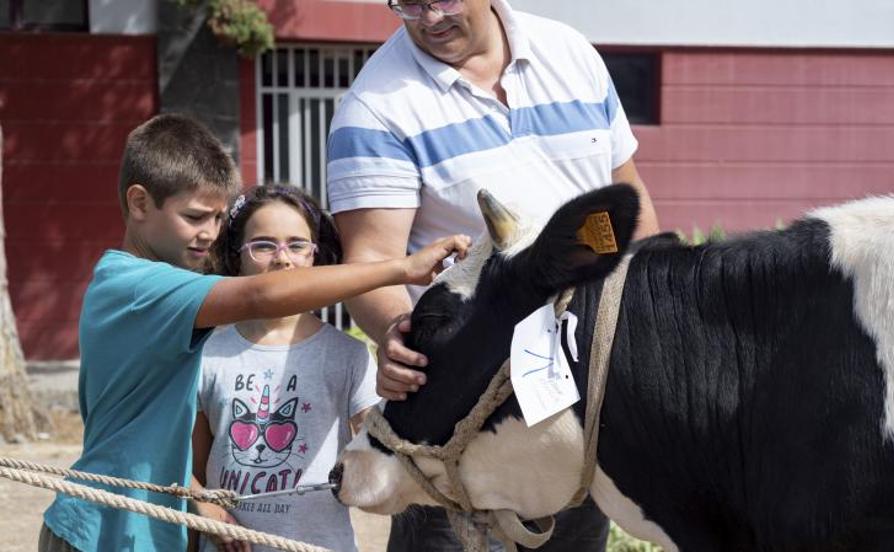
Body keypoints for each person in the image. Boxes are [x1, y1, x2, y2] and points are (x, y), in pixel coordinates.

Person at [39, 114, 469, 552]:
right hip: (104, 532)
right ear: (139, 203)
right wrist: (400, 268)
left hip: (151, 529)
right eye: (194, 217)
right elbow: (261, 295)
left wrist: (199, 499)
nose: (208, 234)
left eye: (217, 219)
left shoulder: (173, 294)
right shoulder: (134, 286)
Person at [326, 0, 659, 550]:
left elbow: (633, 208)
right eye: (407, 3)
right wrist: (395, 333)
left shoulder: (571, 54)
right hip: (459, 419)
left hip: (578, 405)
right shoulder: (375, 106)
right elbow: (370, 260)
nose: (430, 17)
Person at [190, 184, 378, 552]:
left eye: (297, 245)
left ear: (315, 256)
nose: (282, 258)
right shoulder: (207, 354)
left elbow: (379, 456)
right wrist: (204, 505)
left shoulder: (349, 356)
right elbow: (189, 466)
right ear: (235, 257)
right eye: (262, 245)